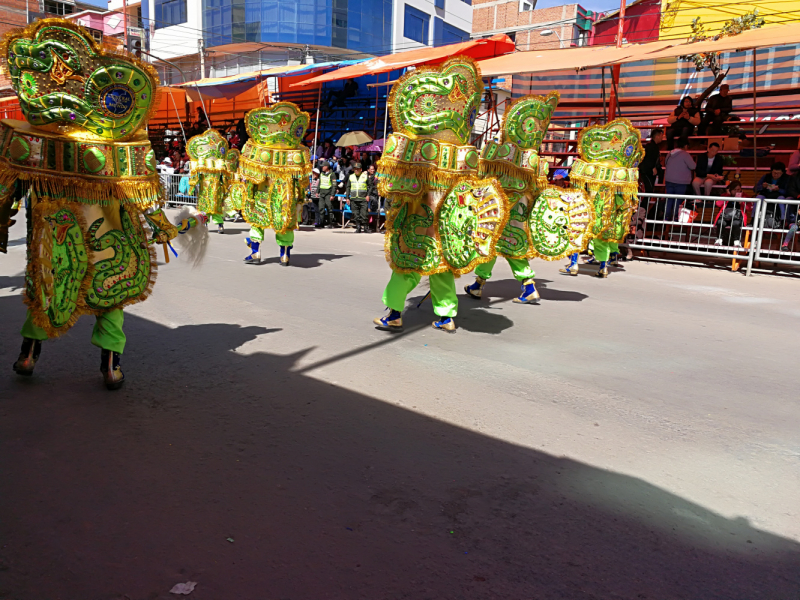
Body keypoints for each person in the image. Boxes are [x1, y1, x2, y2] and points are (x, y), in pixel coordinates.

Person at [1, 18, 200, 390]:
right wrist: (164, 226)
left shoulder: (33, 142)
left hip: (54, 237)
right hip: (112, 238)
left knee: (45, 292)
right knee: (111, 299)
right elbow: (146, 197)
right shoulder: (123, 145)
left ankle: (28, 355)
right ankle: (110, 367)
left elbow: (8, 187)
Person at [374, 57, 507, 333]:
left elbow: (390, 188)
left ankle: (394, 313)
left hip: (417, 225)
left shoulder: (411, 149)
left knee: (406, 266)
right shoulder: (465, 155)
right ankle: (446, 317)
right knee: (441, 269)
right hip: (447, 229)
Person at [465, 91, 582, 299]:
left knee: (499, 248)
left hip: (499, 214)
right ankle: (479, 283)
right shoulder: (534, 163)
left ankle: (527, 286)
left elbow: (484, 182)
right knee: (495, 248)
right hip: (518, 217)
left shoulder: (498, 154)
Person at [238, 102, 312, 266]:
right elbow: (302, 182)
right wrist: (299, 198)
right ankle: (284, 256)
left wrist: (248, 195)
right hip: (287, 196)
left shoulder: (257, 150)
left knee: (257, 222)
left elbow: (250, 179)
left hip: (263, 195)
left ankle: (255, 253)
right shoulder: (297, 153)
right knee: (285, 224)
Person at [663, 137, 696, 221]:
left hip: (669, 179)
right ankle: (675, 217)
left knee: (669, 198)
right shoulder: (685, 154)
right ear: (685, 146)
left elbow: (665, 163)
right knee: (678, 199)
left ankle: (666, 217)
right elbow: (693, 166)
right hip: (681, 181)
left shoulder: (670, 153)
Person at [713, 180, 748, 247]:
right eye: (734, 190)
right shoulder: (725, 196)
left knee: (736, 223)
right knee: (720, 222)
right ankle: (719, 239)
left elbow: (749, 208)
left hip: (737, 218)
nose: (737, 191)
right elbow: (718, 203)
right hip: (725, 217)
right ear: (730, 190)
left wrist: (742, 202)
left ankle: (737, 241)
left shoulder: (744, 196)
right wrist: (728, 196)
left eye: (739, 190)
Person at [346, 162, 370, 233]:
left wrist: (368, 195)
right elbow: (348, 187)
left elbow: (371, 186)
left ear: (361, 169)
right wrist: (347, 197)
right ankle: (358, 227)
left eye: (358, 169)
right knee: (356, 214)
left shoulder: (365, 176)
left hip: (363, 198)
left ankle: (365, 228)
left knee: (364, 214)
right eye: (355, 169)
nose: (356, 170)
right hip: (353, 198)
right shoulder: (351, 176)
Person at [638, 128, 664, 194]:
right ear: (657, 136)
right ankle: (644, 204)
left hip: (649, 170)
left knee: (649, 189)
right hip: (647, 171)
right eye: (661, 136)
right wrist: (653, 167)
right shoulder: (650, 146)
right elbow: (648, 158)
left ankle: (645, 203)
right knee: (649, 190)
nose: (662, 138)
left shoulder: (652, 146)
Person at [317, 161, 335, 228]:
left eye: (323, 166)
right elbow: (319, 183)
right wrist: (317, 191)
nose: (322, 167)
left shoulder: (332, 174)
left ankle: (331, 223)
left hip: (328, 193)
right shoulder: (321, 174)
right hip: (322, 193)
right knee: (321, 208)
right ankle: (321, 223)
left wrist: (332, 195)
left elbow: (334, 185)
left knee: (329, 208)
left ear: (327, 167)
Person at [367, 164, 380, 230]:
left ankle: (373, 223)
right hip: (366, 193)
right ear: (368, 170)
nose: (372, 170)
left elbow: (378, 184)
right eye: (371, 169)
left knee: (374, 202)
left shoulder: (376, 176)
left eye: (373, 169)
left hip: (374, 193)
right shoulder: (365, 176)